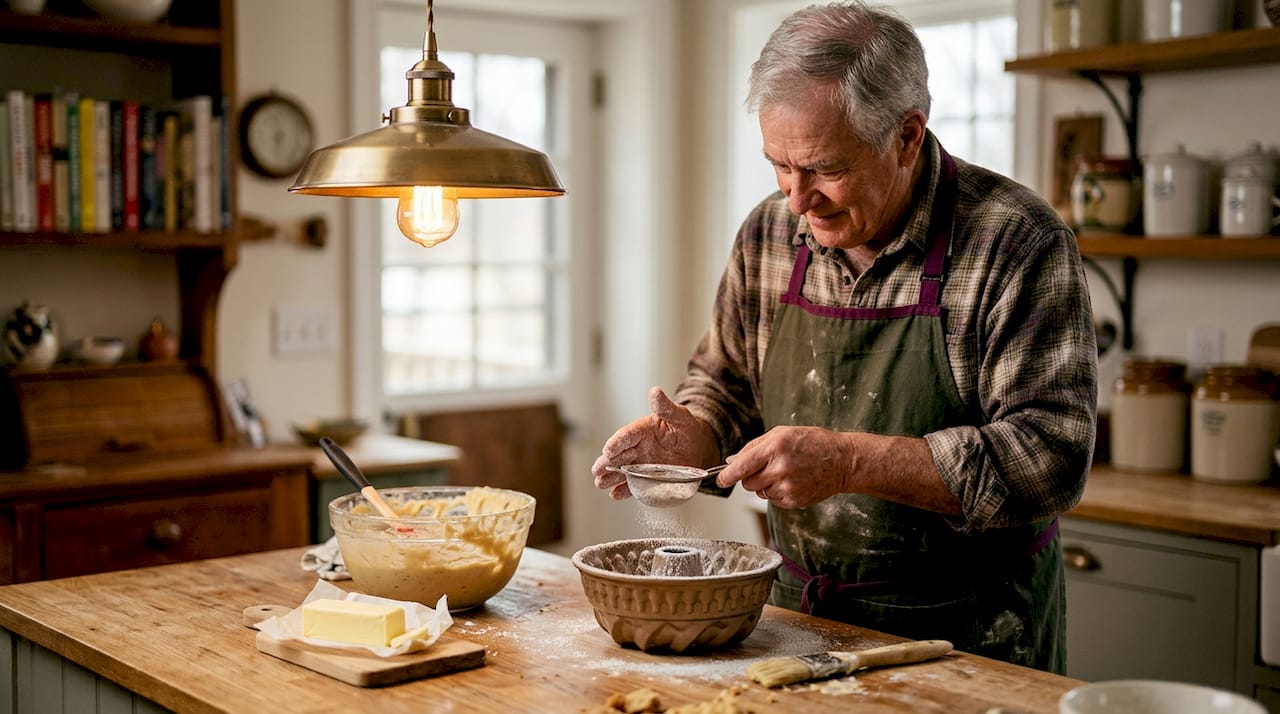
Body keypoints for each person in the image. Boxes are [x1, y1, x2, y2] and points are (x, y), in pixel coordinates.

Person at [591, 1, 1097, 674]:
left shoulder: (1016, 242)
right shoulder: (768, 234)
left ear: (908, 135)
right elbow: (725, 384)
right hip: (800, 619)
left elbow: (1050, 460)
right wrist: (694, 433)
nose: (798, 200)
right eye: (779, 165)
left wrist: (849, 462)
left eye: (826, 169)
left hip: (971, 633)